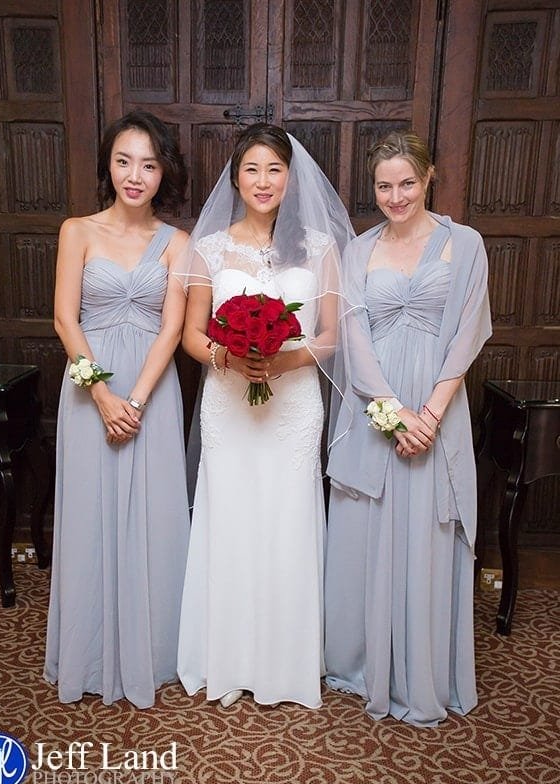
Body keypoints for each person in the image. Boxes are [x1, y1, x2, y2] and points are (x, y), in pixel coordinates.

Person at [176, 123, 354, 708]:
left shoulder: (321, 248)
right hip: (228, 403)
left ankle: (285, 662)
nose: (263, 181)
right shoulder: (209, 249)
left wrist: (284, 360)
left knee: (287, 517)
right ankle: (227, 656)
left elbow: (330, 336)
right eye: (251, 169)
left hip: (294, 403)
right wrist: (228, 354)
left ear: (290, 177)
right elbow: (191, 334)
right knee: (230, 516)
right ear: (235, 177)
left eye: (274, 169)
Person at [325, 130, 492, 726]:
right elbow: (353, 336)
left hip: (437, 407)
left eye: (407, 183)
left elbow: (469, 332)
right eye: (384, 185)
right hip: (378, 408)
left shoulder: (465, 245)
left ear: (428, 179)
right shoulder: (358, 250)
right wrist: (393, 412)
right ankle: (364, 662)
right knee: (368, 530)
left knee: (426, 531)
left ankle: (423, 667)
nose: (395, 196)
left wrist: (431, 413)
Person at [44, 111, 191, 708]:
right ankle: (88, 649)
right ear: (108, 165)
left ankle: (150, 650)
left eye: (149, 165)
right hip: (88, 392)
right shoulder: (76, 230)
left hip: (151, 394)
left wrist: (133, 401)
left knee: (152, 515)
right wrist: (101, 394)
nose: (135, 175)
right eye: (125, 161)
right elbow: (64, 319)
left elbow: (172, 329)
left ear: (164, 173)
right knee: (88, 514)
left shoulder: (179, 243)